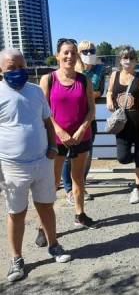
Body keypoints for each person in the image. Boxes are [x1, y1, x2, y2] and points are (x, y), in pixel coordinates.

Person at [0, 49, 72, 282]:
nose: (18, 71)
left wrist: (53, 148)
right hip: (12, 166)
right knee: (16, 213)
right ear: (1, 70)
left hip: (42, 161)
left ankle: (54, 245)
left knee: (46, 207)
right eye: (12, 67)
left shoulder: (36, 91)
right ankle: (17, 259)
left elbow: (47, 123)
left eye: (22, 66)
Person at [40, 39, 96, 229]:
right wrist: (59, 130)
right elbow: (43, 111)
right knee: (52, 183)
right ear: (58, 56)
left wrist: (81, 130)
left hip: (81, 137)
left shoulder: (84, 80)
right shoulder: (48, 79)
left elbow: (91, 110)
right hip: (56, 140)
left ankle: (80, 214)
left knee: (78, 179)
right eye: (65, 52)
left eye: (73, 52)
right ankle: (43, 225)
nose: (69, 56)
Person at [61, 40, 105, 205]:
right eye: (85, 51)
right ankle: (69, 189)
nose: (89, 54)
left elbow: (100, 91)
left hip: (88, 120)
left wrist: (86, 95)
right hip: (68, 120)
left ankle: (80, 186)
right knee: (67, 157)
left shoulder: (100, 70)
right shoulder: (71, 70)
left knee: (86, 156)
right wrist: (87, 95)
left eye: (92, 50)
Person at [106, 46, 139, 204]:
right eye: (125, 58)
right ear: (120, 60)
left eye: (131, 58)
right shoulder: (114, 75)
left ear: (136, 61)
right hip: (122, 124)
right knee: (122, 157)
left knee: (138, 155)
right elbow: (110, 91)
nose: (128, 61)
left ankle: (137, 188)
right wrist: (109, 99)